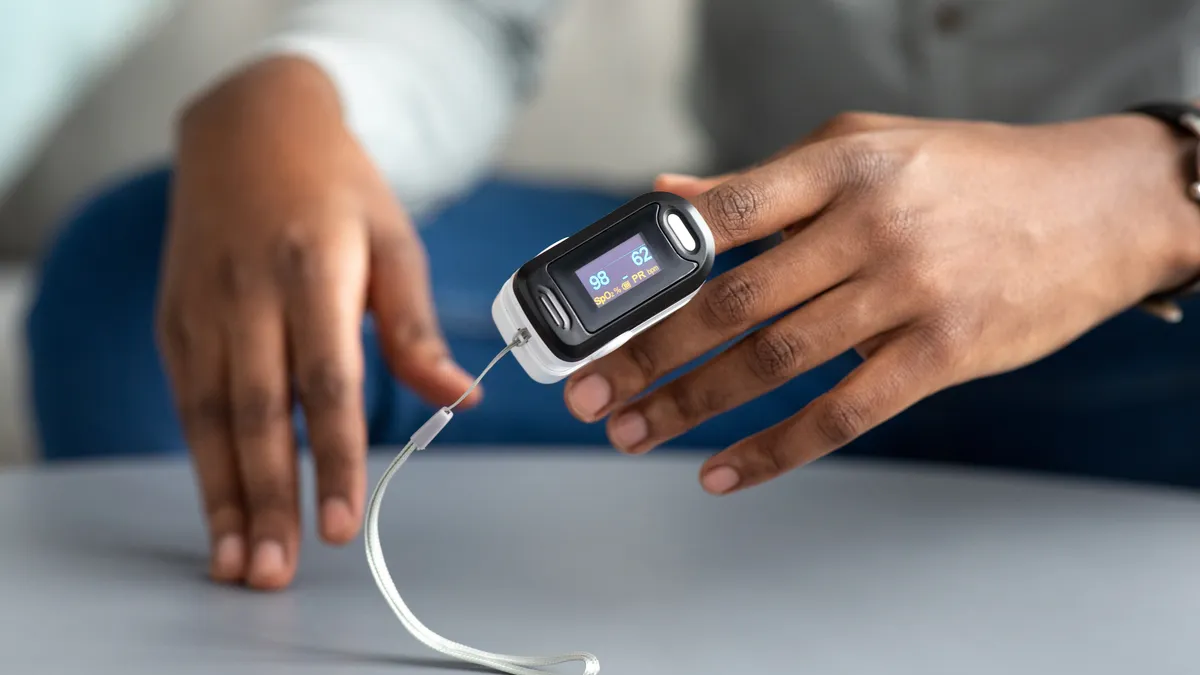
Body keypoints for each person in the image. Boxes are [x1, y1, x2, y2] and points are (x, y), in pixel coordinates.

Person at [25, 0, 1200, 592]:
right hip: (749, 309)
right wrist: (304, 90)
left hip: (1160, 337)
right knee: (144, 270)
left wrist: (1154, 188)